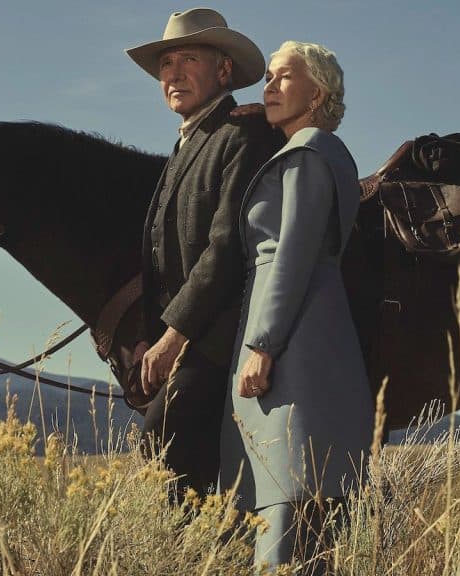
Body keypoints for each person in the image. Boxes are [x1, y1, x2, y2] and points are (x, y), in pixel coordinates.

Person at [220, 41, 374, 571]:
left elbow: (293, 253)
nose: (269, 86)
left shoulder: (309, 149)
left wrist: (263, 345)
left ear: (319, 92)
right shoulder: (309, 148)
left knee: (288, 492)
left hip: (295, 342)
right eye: (266, 76)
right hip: (300, 331)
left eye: (284, 77)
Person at [125, 8, 284, 498]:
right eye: (166, 63)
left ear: (223, 70)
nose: (172, 73)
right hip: (194, 337)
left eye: (188, 58)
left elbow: (225, 248)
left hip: (223, 342)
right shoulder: (192, 141)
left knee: (162, 446)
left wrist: (172, 338)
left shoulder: (242, 135)